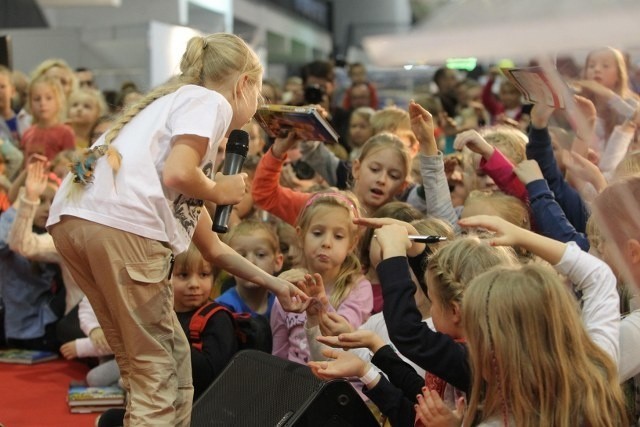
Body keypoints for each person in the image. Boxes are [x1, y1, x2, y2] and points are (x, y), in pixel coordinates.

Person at [46, 33, 308, 426]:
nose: (257, 108)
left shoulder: (166, 110)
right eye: (259, 96)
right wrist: (218, 188)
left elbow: (214, 249)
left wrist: (275, 285)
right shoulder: (210, 100)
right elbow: (180, 172)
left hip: (76, 223)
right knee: (158, 371)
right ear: (244, 85)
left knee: (156, 363)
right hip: (124, 229)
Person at [416, 215, 627, 426]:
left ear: (495, 351)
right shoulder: (596, 373)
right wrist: (521, 236)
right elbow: (598, 275)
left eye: (474, 335)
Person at [271, 190, 373, 365]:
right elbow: (279, 352)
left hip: (337, 383)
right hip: (294, 382)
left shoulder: (358, 288)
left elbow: (342, 339)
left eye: (338, 236)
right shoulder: (289, 285)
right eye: (317, 233)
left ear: (352, 243)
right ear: (301, 235)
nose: (326, 242)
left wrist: (321, 304)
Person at [253, 131, 411, 225]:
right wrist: (278, 151)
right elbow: (266, 195)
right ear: (356, 168)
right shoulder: (323, 205)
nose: (382, 179)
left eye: (393, 175)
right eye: (375, 169)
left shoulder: (401, 225)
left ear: (402, 185)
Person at [216, 220, 283, 319]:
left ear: (277, 262)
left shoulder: (282, 304)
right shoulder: (223, 308)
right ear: (227, 266)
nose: (250, 262)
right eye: (242, 256)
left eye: (260, 255)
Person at [20, 75, 76, 162]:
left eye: (49, 98)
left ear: (59, 101)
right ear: (30, 103)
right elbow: (24, 165)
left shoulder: (65, 133)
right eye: (37, 99)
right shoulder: (27, 134)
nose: (42, 103)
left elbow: (70, 165)